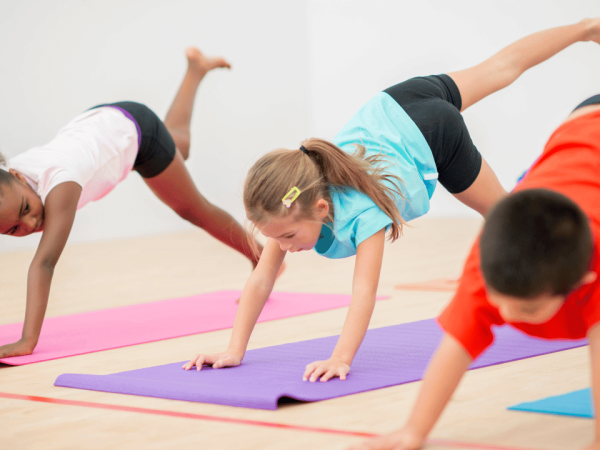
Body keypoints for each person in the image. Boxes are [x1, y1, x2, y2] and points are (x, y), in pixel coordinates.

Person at [184, 19, 600, 384]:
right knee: (499, 69)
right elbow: (261, 278)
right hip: (396, 103)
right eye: (277, 238)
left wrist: (340, 358)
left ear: (323, 209)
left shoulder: (361, 215)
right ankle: (585, 28)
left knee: (505, 216)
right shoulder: (291, 205)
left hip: (435, 133)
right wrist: (233, 350)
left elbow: (363, 291)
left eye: (289, 237)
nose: (284, 246)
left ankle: (571, 258)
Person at [345, 82, 600, 450]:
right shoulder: (493, 260)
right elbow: (457, 344)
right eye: (498, 299)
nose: (506, 314)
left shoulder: (593, 269)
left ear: (583, 280)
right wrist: (415, 430)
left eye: (527, 307)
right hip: (582, 126)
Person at [0, 48, 264, 359]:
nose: (30, 224)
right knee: (179, 144)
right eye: (15, 230)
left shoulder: (60, 184)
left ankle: (262, 258)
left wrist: (26, 341)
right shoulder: (9, 178)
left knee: (194, 210)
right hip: (102, 121)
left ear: (18, 175)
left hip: (136, 131)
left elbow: (44, 263)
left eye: (26, 211)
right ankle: (196, 70)